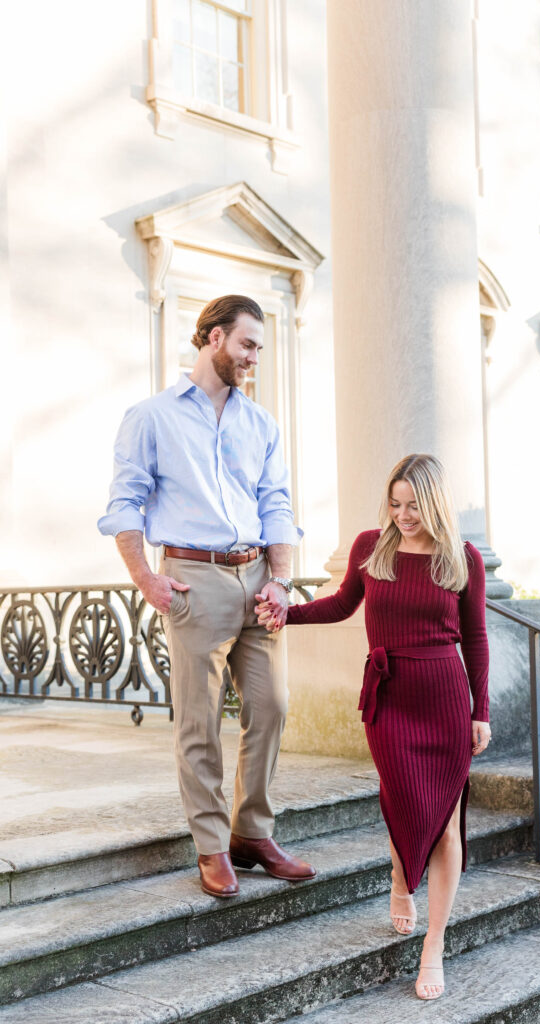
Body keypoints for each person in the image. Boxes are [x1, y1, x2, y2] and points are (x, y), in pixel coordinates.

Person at [98, 294, 315, 898]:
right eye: (247, 344)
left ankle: (253, 832)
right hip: (194, 579)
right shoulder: (152, 416)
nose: (254, 358)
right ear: (214, 338)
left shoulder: (260, 422)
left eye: (259, 348)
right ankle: (212, 846)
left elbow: (276, 503)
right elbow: (125, 504)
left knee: (271, 706)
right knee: (199, 722)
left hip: (258, 580)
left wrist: (281, 576)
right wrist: (146, 577)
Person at [257, 453, 491, 1001]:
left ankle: (433, 943)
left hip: (444, 698)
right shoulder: (371, 547)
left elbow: (476, 639)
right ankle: (398, 879)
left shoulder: (462, 558)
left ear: (434, 502)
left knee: (447, 824)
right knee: (401, 798)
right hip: (390, 696)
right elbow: (341, 605)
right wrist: (288, 612)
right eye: (395, 503)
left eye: (413, 505)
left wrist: (481, 710)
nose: (403, 514)